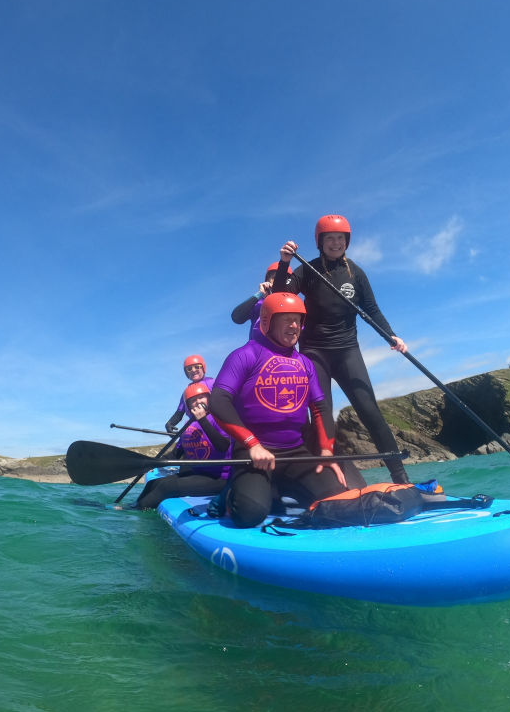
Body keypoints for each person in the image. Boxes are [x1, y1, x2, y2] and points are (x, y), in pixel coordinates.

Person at [273, 214, 410, 484]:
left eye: (340, 238)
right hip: (315, 352)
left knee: (369, 410)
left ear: (346, 241)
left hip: (348, 351)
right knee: (323, 415)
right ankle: (328, 479)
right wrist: (284, 263)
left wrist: (391, 335)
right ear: (320, 242)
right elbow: (280, 297)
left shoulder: (356, 273)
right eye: (329, 238)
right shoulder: (307, 270)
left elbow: (371, 309)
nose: (335, 243)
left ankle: (400, 476)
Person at [209, 291, 366, 528]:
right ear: (267, 321)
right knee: (249, 514)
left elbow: (320, 408)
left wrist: (325, 451)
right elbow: (218, 400)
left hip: (296, 451)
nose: (295, 326)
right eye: (287, 319)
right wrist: (252, 444)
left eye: (298, 319)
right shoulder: (245, 355)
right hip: (255, 453)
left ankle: (280, 487)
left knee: (337, 501)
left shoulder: (305, 363)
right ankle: (232, 493)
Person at [136, 382, 233, 510]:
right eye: (193, 400)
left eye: (201, 397)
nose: (198, 402)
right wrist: (153, 463)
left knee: (167, 486)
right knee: (155, 483)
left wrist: (203, 420)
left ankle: (135, 511)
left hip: (220, 479)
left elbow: (223, 446)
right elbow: (176, 453)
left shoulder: (218, 418)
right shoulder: (189, 425)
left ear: (209, 399)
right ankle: (133, 506)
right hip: (199, 474)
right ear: (188, 405)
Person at [230, 262, 296, 339]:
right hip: (258, 349)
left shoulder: (294, 304)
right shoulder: (258, 303)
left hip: (285, 350)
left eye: (283, 279)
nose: (279, 281)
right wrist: (260, 293)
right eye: (275, 278)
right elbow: (237, 317)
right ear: (268, 281)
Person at [164, 355, 215, 433]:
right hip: (196, 427)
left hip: (214, 425)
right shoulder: (186, 392)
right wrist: (170, 423)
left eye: (197, 367)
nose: (193, 370)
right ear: (186, 373)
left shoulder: (213, 383)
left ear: (203, 368)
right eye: (189, 369)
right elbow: (179, 412)